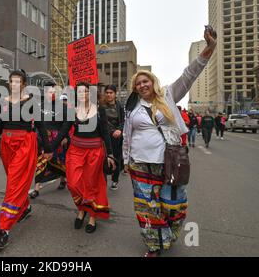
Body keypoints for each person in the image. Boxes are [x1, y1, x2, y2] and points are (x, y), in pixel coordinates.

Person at [123, 26, 217, 257]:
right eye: (138, 83)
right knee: (146, 207)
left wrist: (210, 47)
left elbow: (190, 73)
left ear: (153, 82)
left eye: (146, 81)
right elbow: (127, 135)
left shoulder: (169, 95)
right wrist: (126, 159)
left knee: (173, 207)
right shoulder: (132, 107)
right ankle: (153, 246)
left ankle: (168, 235)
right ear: (135, 88)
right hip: (140, 164)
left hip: (169, 163)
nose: (143, 85)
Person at [0, 70, 53, 250]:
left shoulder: (31, 102)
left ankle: (4, 230)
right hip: (6, 144)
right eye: (11, 81)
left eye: (17, 82)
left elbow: (41, 126)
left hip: (25, 144)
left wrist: (48, 148)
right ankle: (25, 207)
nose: (13, 84)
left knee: (13, 185)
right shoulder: (3, 103)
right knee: (17, 183)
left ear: (23, 84)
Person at [50, 82, 116, 234]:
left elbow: (105, 132)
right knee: (73, 183)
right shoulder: (72, 111)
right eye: (79, 91)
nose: (82, 94)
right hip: (75, 151)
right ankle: (82, 207)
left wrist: (111, 154)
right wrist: (50, 148)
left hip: (95, 152)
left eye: (85, 91)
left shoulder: (100, 110)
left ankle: (91, 215)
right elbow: (64, 130)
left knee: (92, 184)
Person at [29, 81, 68, 199]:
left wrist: (65, 137)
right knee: (40, 162)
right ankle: (36, 188)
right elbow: (35, 122)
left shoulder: (63, 107)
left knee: (59, 162)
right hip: (42, 138)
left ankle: (63, 179)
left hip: (58, 138)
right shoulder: (39, 106)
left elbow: (67, 125)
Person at [101, 85, 125, 191]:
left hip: (116, 137)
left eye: (111, 92)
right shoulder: (100, 106)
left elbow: (125, 121)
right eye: (107, 92)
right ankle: (102, 181)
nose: (109, 94)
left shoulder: (120, 106)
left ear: (115, 94)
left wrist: (120, 129)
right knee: (102, 158)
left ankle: (115, 180)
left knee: (116, 158)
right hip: (103, 136)